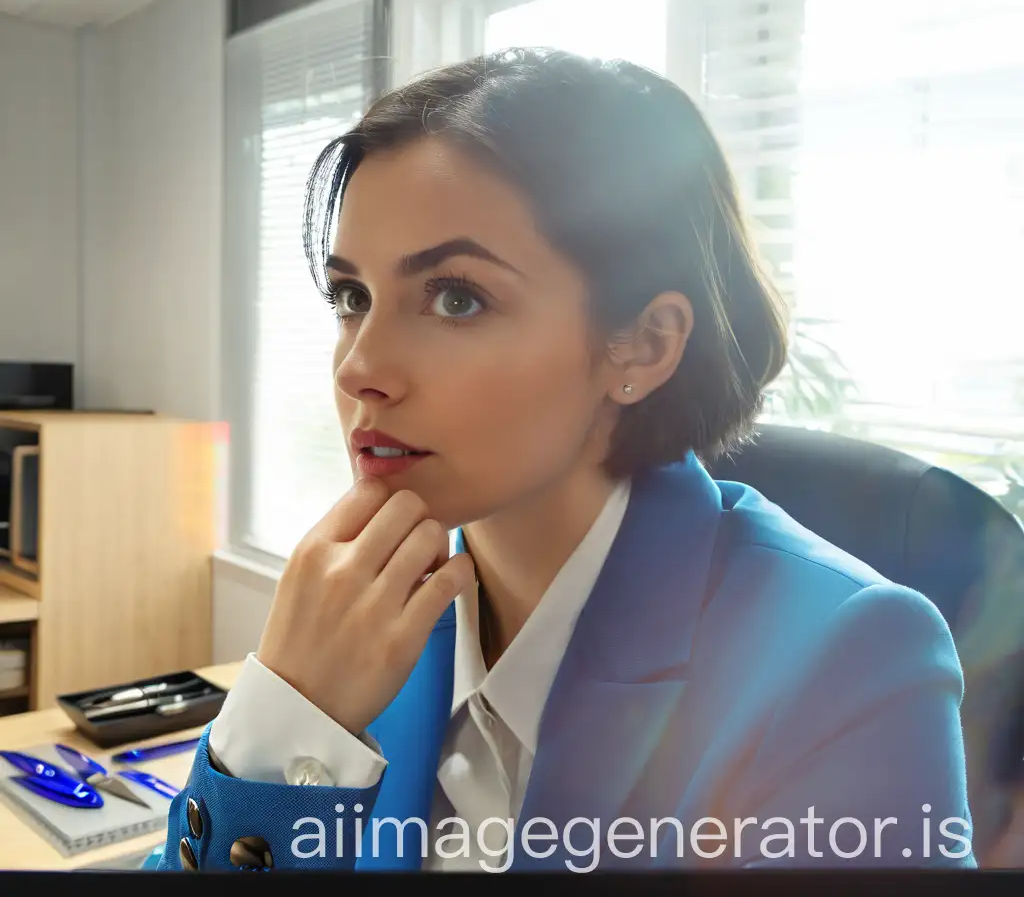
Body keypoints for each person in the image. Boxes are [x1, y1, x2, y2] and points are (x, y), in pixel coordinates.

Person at [155, 47, 974, 872]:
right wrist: (285, 722)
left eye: (456, 298)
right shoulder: (367, 619)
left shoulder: (851, 662)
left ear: (644, 344)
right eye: (352, 298)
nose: (358, 368)